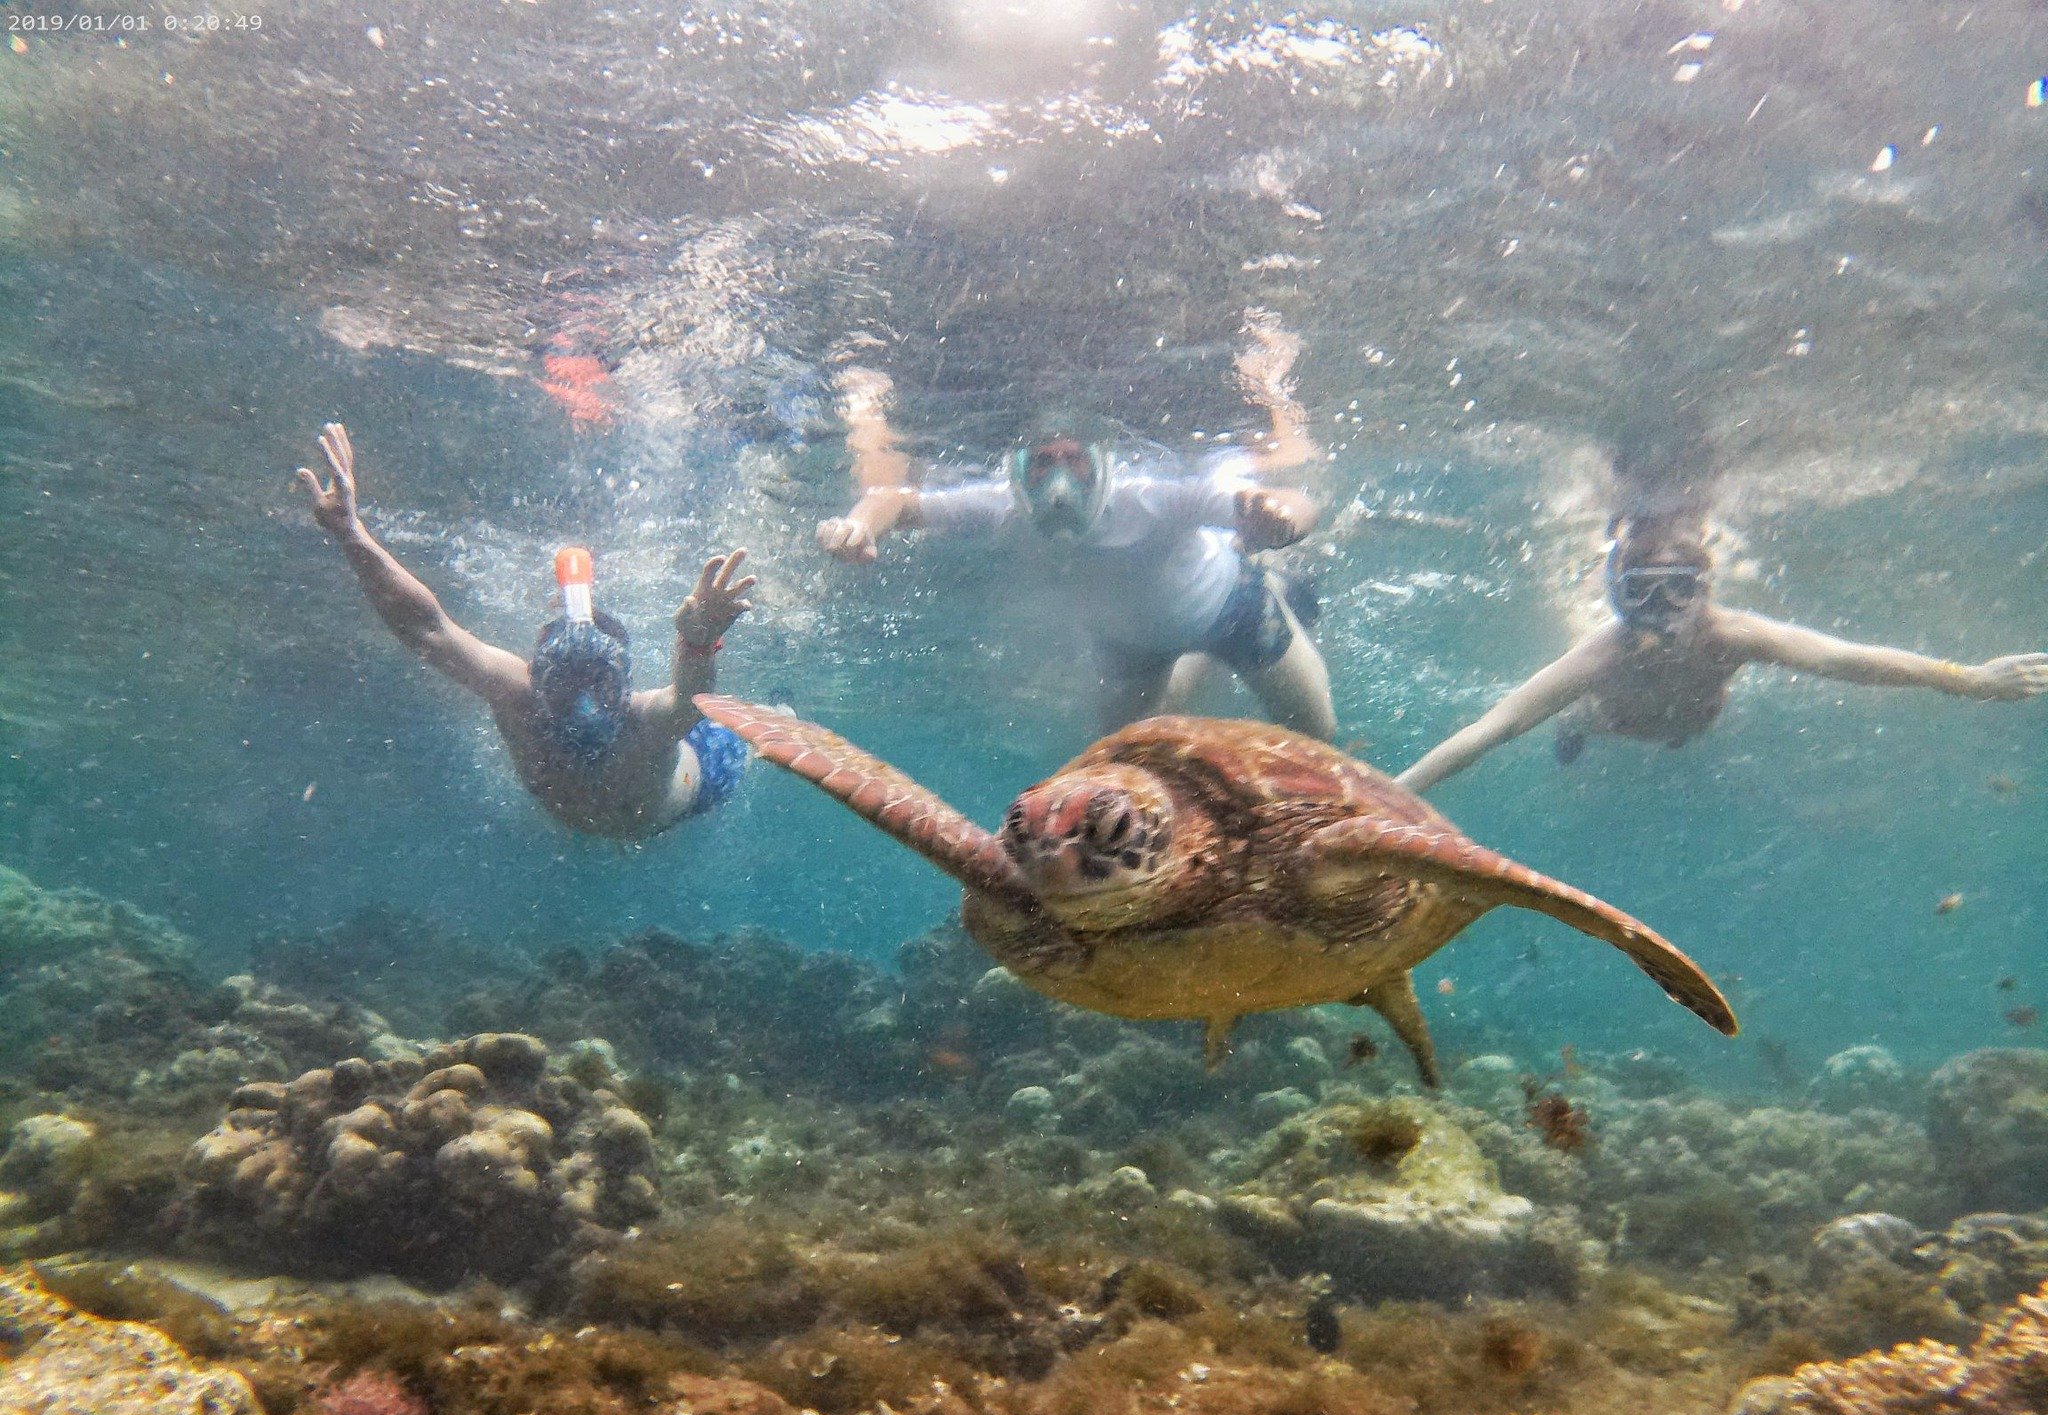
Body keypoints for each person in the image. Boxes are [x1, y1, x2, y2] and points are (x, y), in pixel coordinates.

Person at [813, 317, 1338, 739]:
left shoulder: (1151, 499)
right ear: (1019, 470)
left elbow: (1290, 500)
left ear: (1103, 464)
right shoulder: (1003, 506)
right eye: (1043, 462)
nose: (1060, 481)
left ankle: (1265, 588)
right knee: (1114, 774)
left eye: (1075, 460)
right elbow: (896, 502)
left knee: (1320, 734)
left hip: (1236, 613)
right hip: (1130, 649)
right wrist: (862, 524)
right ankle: (1195, 663)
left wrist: (1284, 519)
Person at [297, 421, 756, 839]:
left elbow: (690, 698)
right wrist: (350, 534)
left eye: (599, 681)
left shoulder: (646, 724)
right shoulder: (515, 696)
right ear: (537, 677)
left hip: (701, 783)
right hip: (638, 815)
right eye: (564, 684)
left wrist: (698, 641)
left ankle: (778, 712)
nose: (584, 706)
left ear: (625, 684)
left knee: (743, 734)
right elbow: (426, 630)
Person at [1398, 505, 2048, 794]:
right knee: (1578, 717)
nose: (1667, 612)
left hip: (1691, 725)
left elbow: (1843, 659)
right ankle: (1578, 728)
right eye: (1646, 591)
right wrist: (1395, 787)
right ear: (1618, 590)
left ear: (1706, 582)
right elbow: (1498, 726)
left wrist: (1966, 678)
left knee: (1676, 725)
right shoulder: (1607, 652)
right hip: (1618, 721)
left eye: (1681, 588)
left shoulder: (1733, 632)